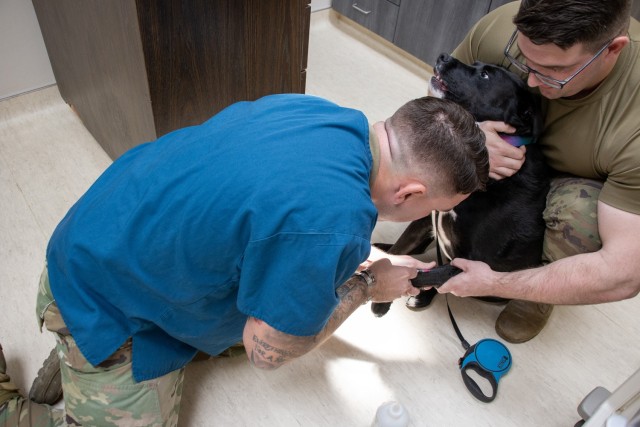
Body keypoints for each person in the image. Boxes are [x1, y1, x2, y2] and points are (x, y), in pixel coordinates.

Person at [0, 93, 489, 426]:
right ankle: (51, 377)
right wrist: (366, 288)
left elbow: (276, 208)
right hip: (103, 297)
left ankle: (76, 361)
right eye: (436, 209)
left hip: (100, 232)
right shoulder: (333, 222)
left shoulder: (328, 115)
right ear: (410, 192)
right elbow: (265, 351)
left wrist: (344, 260)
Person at [432, 0, 640, 343]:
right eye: (523, 59)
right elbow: (431, 108)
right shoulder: (500, 30)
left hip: (577, 181)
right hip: (508, 151)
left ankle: (537, 295)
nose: (529, 78)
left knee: (581, 213)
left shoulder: (633, 125)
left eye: (552, 70)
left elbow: (622, 273)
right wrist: (465, 133)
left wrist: (495, 283)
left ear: (612, 50)